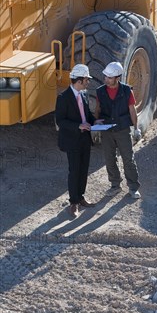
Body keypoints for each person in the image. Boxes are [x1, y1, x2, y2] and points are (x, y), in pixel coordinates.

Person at [55, 64, 100, 218]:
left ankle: (80, 198)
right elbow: (60, 121)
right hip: (72, 140)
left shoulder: (84, 94)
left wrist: (95, 122)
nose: (88, 82)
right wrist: (78, 126)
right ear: (79, 80)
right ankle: (73, 203)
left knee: (83, 169)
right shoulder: (63, 98)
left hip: (84, 139)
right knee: (74, 171)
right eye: (87, 80)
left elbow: (87, 115)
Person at [95, 61, 142, 199]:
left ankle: (133, 187)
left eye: (109, 77)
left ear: (117, 78)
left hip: (122, 130)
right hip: (107, 130)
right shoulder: (100, 91)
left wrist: (136, 129)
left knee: (128, 159)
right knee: (109, 159)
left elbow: (132, 111)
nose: (106, 79)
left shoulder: (127, 91)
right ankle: (115, 185)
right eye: (106, 77)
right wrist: (95, 127)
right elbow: (98, 109)